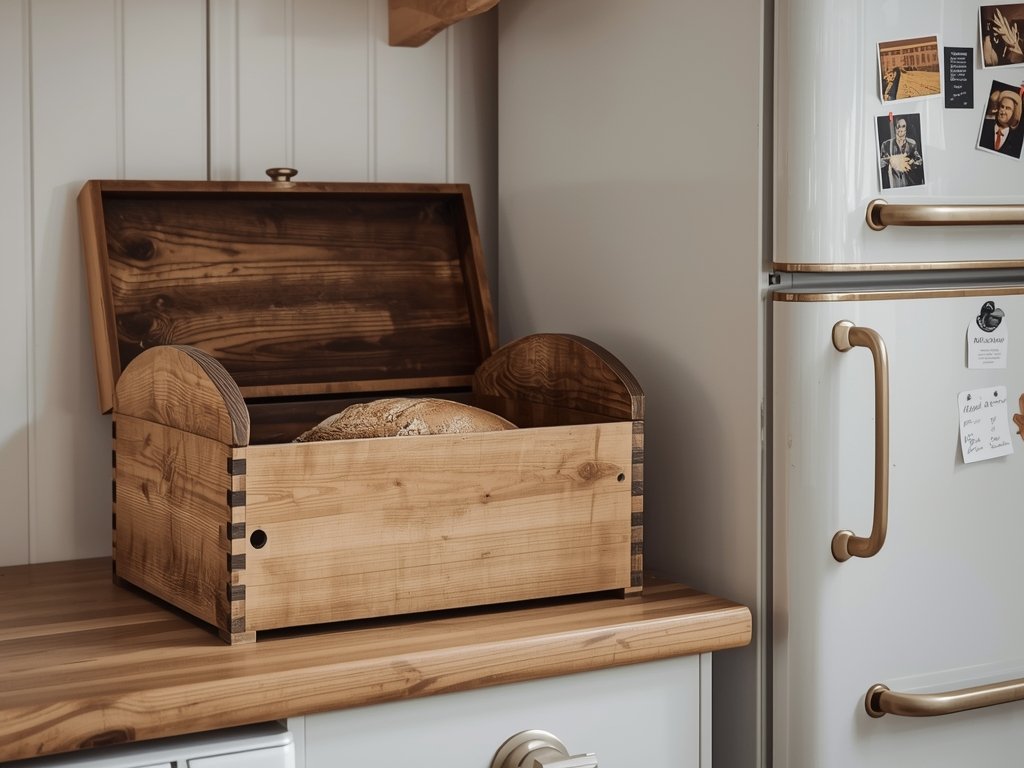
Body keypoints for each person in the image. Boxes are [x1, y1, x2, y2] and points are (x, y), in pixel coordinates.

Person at [879, 117, 924, 188]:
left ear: (906, 128)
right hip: (894, 184)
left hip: (909, 183)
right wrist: (891, 160)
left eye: (903, 126)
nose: (900, 129)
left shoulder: (912, 143)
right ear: (895, 128)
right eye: (898, 126)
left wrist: (912, 163)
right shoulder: (886, 144)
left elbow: (919, 160)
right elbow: (880, 164)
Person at [979, 89, 1024, 158]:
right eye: (1002, 107)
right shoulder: (984, 127)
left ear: (1014, 113)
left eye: (1008, 108)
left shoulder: (1018, 141)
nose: (1003, 111)